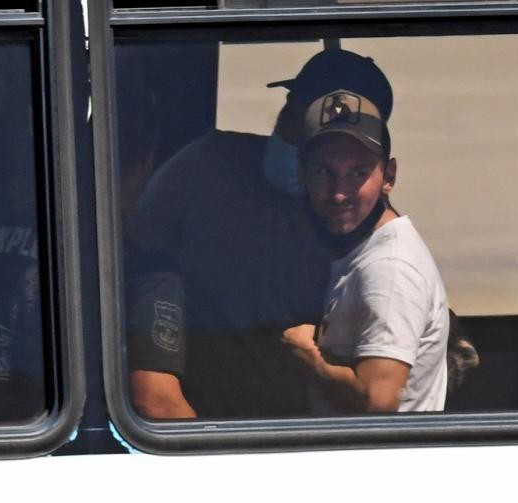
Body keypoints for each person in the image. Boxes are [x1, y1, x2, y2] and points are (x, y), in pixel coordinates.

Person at [126, 48, 475, 419]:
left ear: (383, 172)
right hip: (212, 412)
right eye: (299, 120)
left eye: (355, 168)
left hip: (301, 424)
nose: (339, 190)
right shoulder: (200, 172)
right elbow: (144, 283)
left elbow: (421, 349)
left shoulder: (364, 231)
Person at [281, 88, 449, 412]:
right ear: (302, 175)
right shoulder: (355, 250)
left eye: (358, 173)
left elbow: (377, 405)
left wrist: (306, 355)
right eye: (323, 172)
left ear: (389, 177)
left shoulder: (389, 270)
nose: (339, 194)